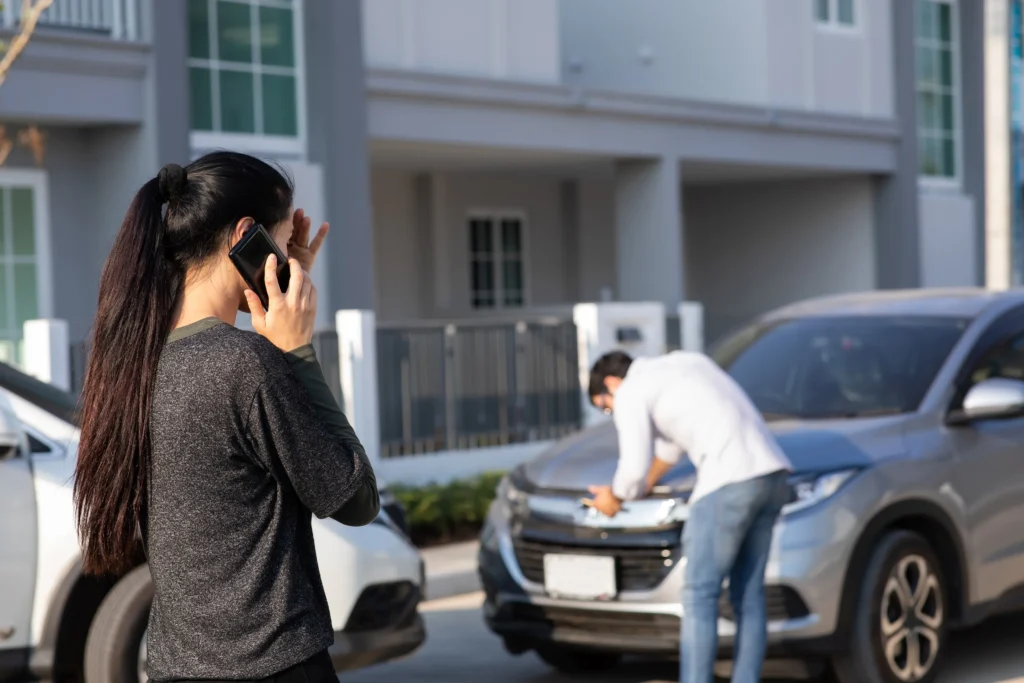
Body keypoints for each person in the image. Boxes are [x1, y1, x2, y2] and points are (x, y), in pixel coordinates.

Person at [73, 152, 379, 683]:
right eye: (282, 245)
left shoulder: (133, 363)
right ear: (245, 235)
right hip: (274, 663)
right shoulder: (243, 363)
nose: (286, 262)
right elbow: (355, 498)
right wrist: (297, 352)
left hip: (176, 666)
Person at [586, 350, 791, 683]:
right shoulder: (685, 363)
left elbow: (633, 468)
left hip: (728, 482)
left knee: (699, 594)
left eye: (606, 406)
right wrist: (643, 485)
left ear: (611, 383)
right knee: (748, 595)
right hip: (771, 474)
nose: (611, 412)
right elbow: (668, 452)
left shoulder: (632, 391)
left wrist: (615, 496)